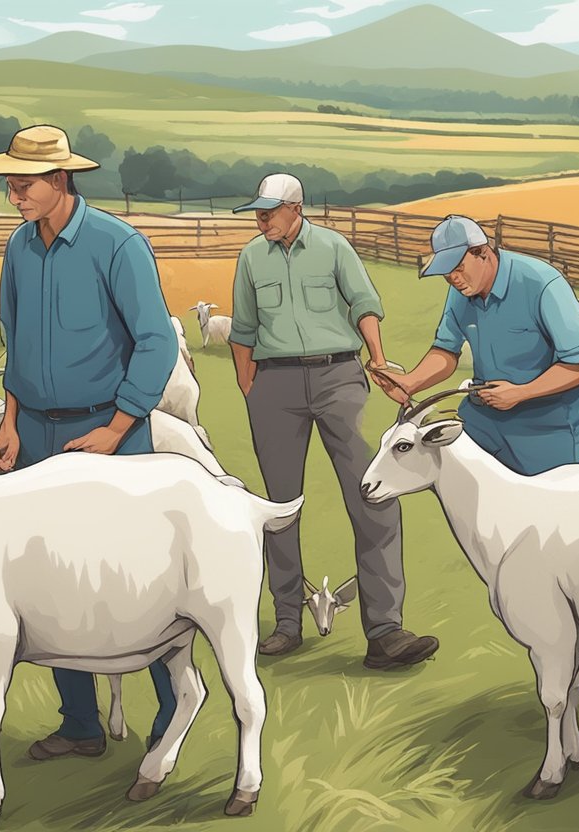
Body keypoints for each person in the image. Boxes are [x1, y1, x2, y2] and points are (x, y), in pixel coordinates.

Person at [0, 124, 180, 760]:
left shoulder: (119, 246)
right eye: (8, 184)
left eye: (23, 183)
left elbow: (157, 342)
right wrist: (8, 423)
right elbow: (17, 344)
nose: (13, 195)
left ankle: (173, 712)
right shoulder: (18, 249)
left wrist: (118, 430)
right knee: (49, 576)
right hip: (33, 430)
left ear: (61, 180)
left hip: (105, 431)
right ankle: (81, 723)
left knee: (136, 574)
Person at [228, 172, 438, 669]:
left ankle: (385, 630)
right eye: (257, 211)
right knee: (280, 505)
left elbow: (365, 305)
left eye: (269, 211)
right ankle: (285, 624)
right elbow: (242, 328)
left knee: (373, 491)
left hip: (339, 377)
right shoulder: (251, 257)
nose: (260, 220)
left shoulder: (334, 247)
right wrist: (249, 388)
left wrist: (379, 358)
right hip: (273, 385)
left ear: (296, 208)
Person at [370, 214, 579, 476]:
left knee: (530, 508)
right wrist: (411, 382)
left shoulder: (543, 283)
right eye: (447, 273)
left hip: (549, 426)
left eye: (458, 269)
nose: (453, 279)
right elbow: (446, 349)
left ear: (483, 252)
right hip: (484, 419)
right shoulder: (462, 291)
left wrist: (521, 393)